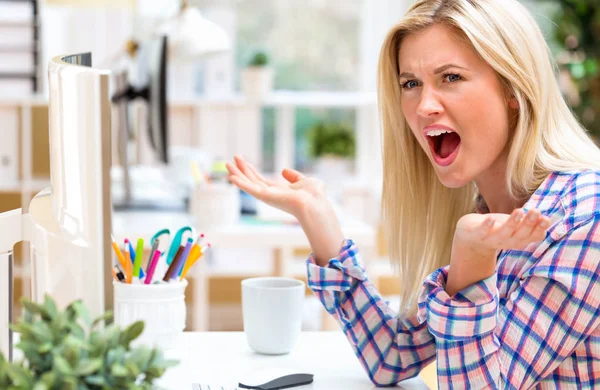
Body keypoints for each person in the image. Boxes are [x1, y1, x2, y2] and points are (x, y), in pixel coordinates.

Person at [226, 0, 600, 388]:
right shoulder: (488, 210)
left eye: (451, 78)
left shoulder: (585, 217)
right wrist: (318, 219)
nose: (424, 106)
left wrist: (471, 263)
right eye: (410, 84)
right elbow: (394, 356)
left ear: (512, 86)